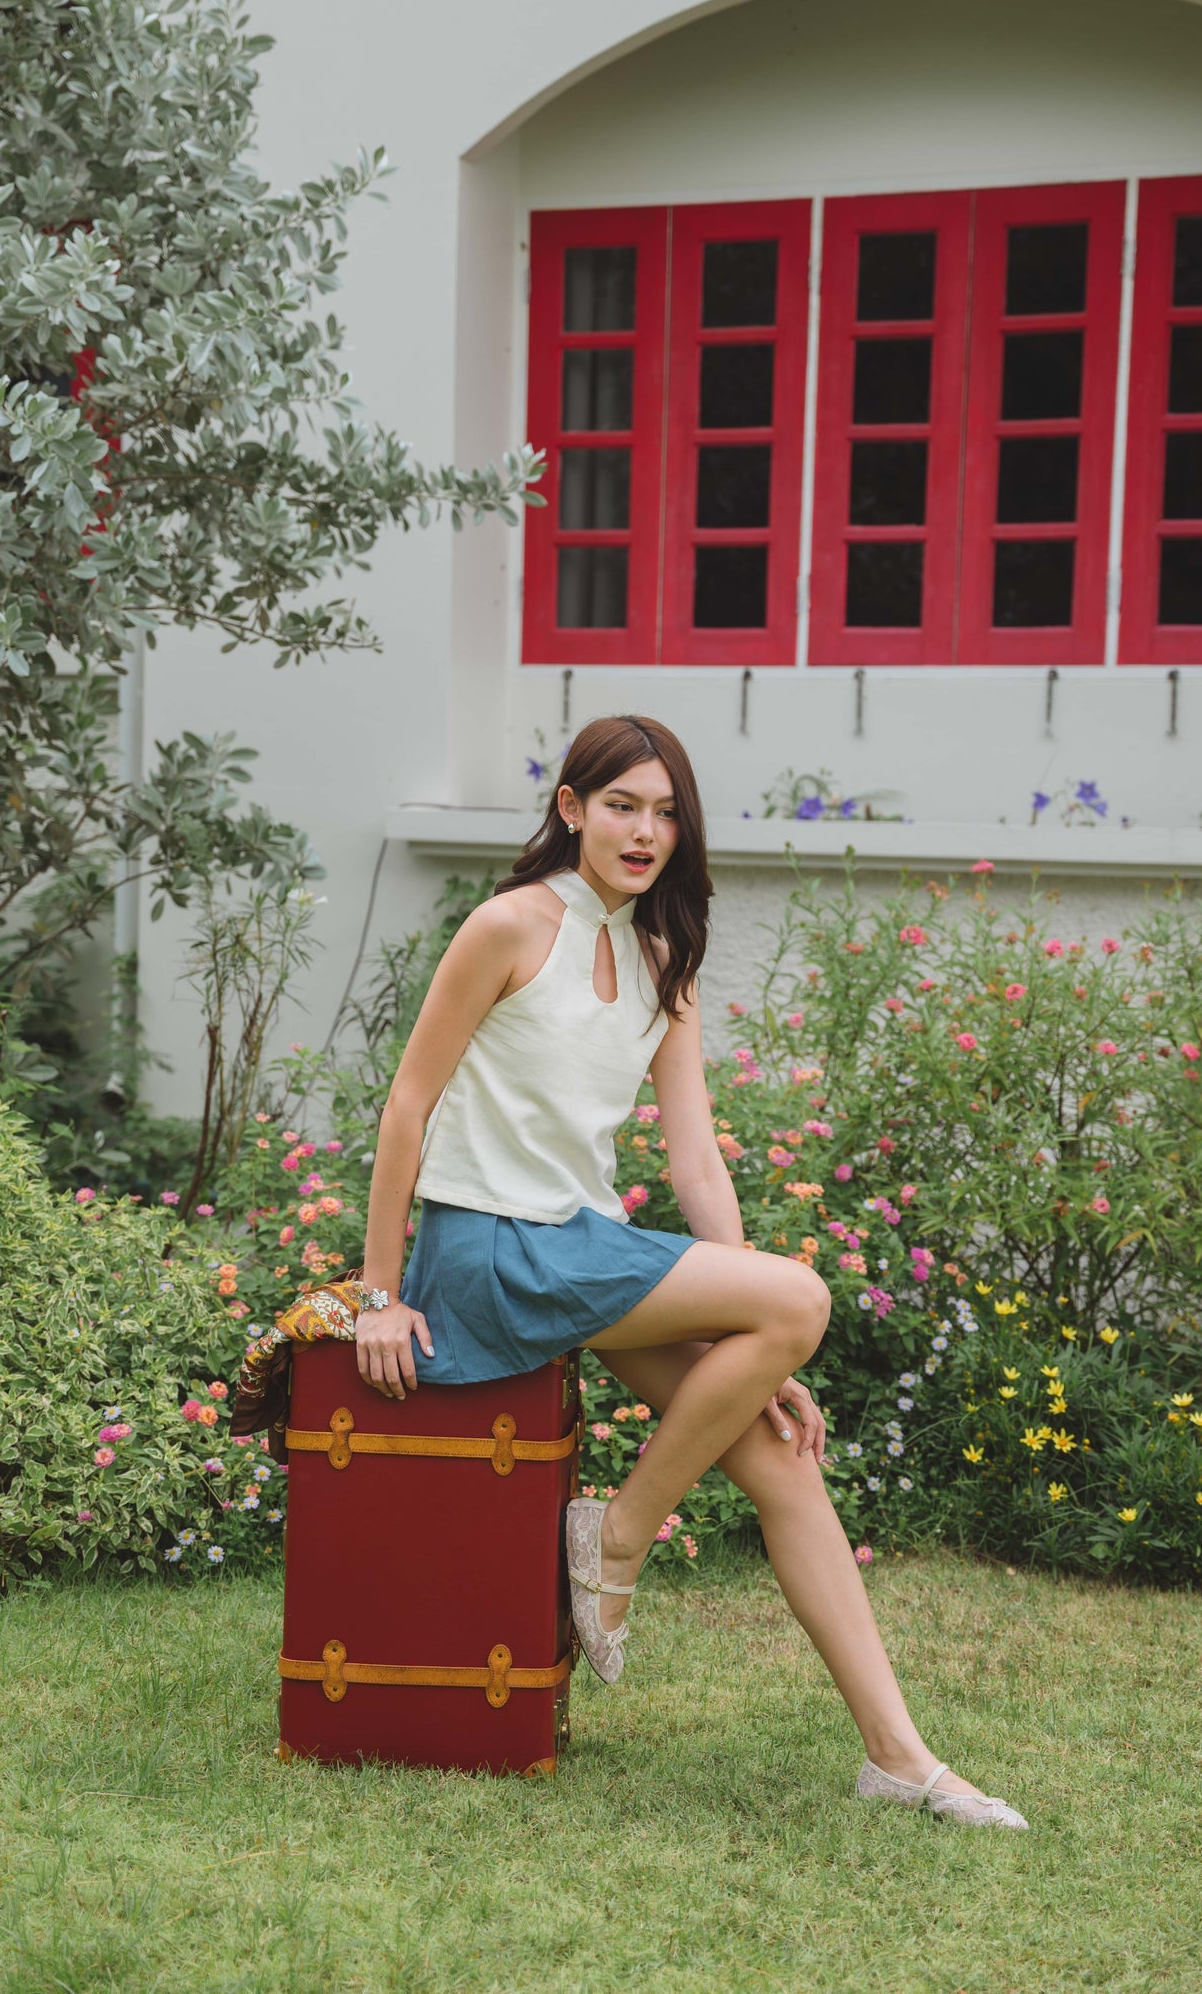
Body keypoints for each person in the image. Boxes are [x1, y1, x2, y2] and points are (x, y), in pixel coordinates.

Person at [355, 713, 1027, 1827]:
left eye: (665, 811)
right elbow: (407, 1104)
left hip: (576, 1247)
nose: (644, 829)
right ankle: (617, 1534)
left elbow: (695, 1154)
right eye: (620, 804)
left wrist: (747, 1343)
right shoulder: (506, 925)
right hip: (486, 1247)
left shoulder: (667, 955)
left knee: (779, 1457)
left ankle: (898, 1756)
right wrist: (381, 1294)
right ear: (569, 808)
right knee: (798, 1292)